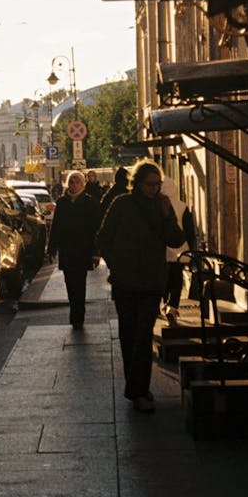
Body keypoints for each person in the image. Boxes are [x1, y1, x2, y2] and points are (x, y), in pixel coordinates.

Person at [97, 160, 186, 412]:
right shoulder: (122, 204)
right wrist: (116, 265)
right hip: (125, 282)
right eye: (150, 184)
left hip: (151, 281)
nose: (155, 189)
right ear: (137, 183)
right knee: (128, 335)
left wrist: (169, 216)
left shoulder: (162, 206)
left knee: (143, 335)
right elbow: (103, 238)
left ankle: (137, 391)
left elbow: (177, 240)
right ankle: (138, 388)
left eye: (158, 184)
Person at [46, 170, 101, 330]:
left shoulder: (90, 202)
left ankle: (78, 316)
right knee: (70, 283)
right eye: (71, 182)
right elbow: (56, 226)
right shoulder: (62, 202)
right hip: (67, 249)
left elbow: (97, 228)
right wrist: (52, 247)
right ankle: (74, 311)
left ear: (83, 184)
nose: (74, 185)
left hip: (83, 249)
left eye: (77, 182)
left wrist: (97, 253)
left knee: (80, 283)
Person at [161, 178, 196, 324]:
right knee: (177, 280)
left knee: (164, 279)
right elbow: (189, 230)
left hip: (163, 250)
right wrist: (192, 249)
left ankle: (164, 304)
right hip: (180, 250)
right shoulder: (182, 206)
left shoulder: (158, 205)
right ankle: (172, 306)